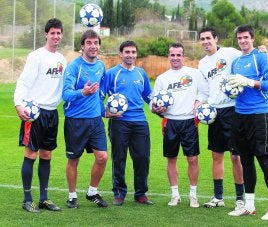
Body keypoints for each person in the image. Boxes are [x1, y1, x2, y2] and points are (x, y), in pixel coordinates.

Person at [227, 24, 268, 220]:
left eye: (246, 38)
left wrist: (250, 82)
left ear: (253, 39)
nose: (243, 41)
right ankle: (249, 206)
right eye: (240, 38)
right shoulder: (236, 62)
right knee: (246, 161)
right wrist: (230, 88)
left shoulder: (261, 57)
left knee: (264, 160)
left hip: (259, 116)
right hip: (239, 116)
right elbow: (233, 88)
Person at [14, 18, 66, 213]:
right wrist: (19, 104)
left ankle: (43, 198)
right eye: (52, 33)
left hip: (52, 113)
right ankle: (28, 200)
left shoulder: (62, 59)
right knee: (31, 154)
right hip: (34, 113)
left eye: (58, 33)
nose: (56, 36)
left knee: (46, 154)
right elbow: (24, 82)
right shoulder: (36, 56)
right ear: (46, 34)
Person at [100, 40, 153, 206]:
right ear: (120, 54)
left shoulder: (141, 73)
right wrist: (104, 112)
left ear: (136, 54)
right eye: (127, 52)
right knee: (119, 158)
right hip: (119, 123)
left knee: (142, 158)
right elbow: (100, 95)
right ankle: (119, 193)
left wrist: (157, 105)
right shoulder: (111, 74)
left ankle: (141, 194)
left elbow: (148, 96)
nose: (130, 55)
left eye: (133, 52)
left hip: (140, 122)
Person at [197, 27, 245, 211]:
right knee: (216, 155)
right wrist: (199, 104)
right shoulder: (202, 63)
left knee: (236, 156)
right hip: (214, 113)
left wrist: (261, 52)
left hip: (233, 110)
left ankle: (240, 198)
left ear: (216, 38)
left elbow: (248, 57)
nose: (205, 42)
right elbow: (204, 90)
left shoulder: (230, 53)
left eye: (208, 38)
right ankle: (218, 197)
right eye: (202, 39)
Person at [151, 43, 203, 208]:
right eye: (172, 55)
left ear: (183, 56)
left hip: (189, 121)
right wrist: (156, 108)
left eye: (178, 55)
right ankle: (175, 195)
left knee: (193, 159)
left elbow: (204, 91)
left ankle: (193, 195)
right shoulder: (162, 78)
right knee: (171, 159)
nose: (175, 58)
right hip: (170, 121)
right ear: (168, 56)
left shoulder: (194, 74)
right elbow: (153, 103)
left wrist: (198, 102)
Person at [63, 29, 108, 209]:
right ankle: (72, 195)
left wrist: (103, 110)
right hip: (76, 120)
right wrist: (83, 92)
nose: (93, 46)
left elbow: (100, 90)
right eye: (89, 43)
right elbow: (65, 94)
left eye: (96, 43)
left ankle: (92, 192)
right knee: (74, 160)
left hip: (95, 120)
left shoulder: (101, 66)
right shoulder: (74, 67)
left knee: (103, 157)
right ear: (82, 46)